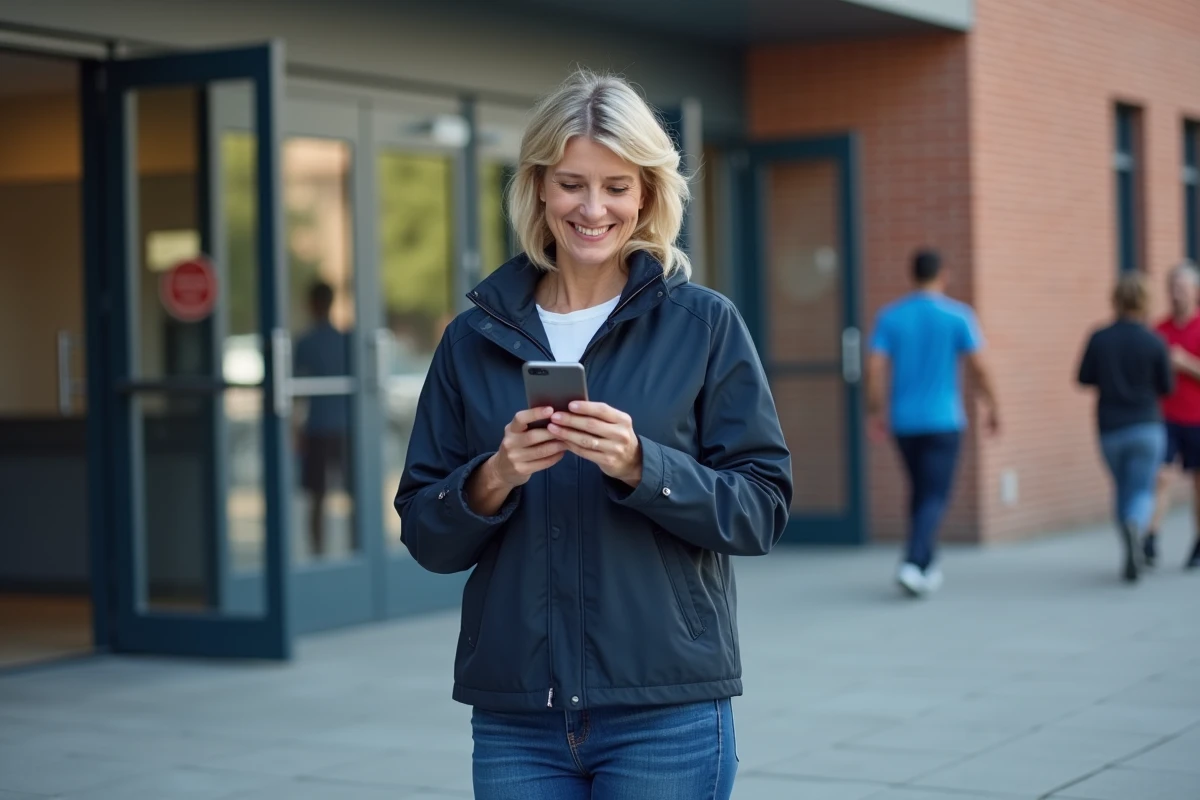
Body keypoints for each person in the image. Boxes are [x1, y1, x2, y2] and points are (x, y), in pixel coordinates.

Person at [395, 70, 792, 800]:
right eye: (572, 184)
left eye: (616, 186)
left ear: (647, 194)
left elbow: (761, 508)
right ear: (538, 187)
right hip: (517, 718)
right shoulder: (472, 339)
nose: (593, 208)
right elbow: (426, 534)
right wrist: (495, 476)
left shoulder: (703, 325)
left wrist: (644, 465)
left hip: (664, 708)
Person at [866, 249, 1000, 597]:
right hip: (943, 420)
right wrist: (993, 406)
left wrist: (875, 410)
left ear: (911, 275)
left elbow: (874, 368)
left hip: (905, 421)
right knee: (934, 495)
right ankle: (913, 562)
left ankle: (927, 563)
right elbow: (979, 366)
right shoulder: (958, 315)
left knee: (920, 492)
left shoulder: (891, 316)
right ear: (944, 274)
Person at [1077, 273, 1173, 582]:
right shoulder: (1154, 341)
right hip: (1146, 425)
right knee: (1142, 488)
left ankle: (1128, 539)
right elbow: (1167, 386)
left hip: (1110, 427)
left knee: (1122, 487)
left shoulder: (1100, 337)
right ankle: (1135, 525)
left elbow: (1083, 378)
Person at [293, 280, 352, 558]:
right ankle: (356, 548)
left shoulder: (306, 343)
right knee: (351, 490)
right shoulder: (344, 342)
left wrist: (295, 429)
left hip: (318, 427)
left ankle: (319, 555)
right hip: (343, 426)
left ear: (312, 305)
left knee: (317, 496)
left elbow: (295, 393)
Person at [1148, 261, 1200, 570]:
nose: (1176, 293)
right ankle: (1150, 538)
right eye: (1172, 287)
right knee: (1161, 476)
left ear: (1195, 291)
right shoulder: (1159, 330)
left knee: (1197, 483)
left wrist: (1185, 363)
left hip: (1197, 417)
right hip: (1165, 417)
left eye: (1181, 287)